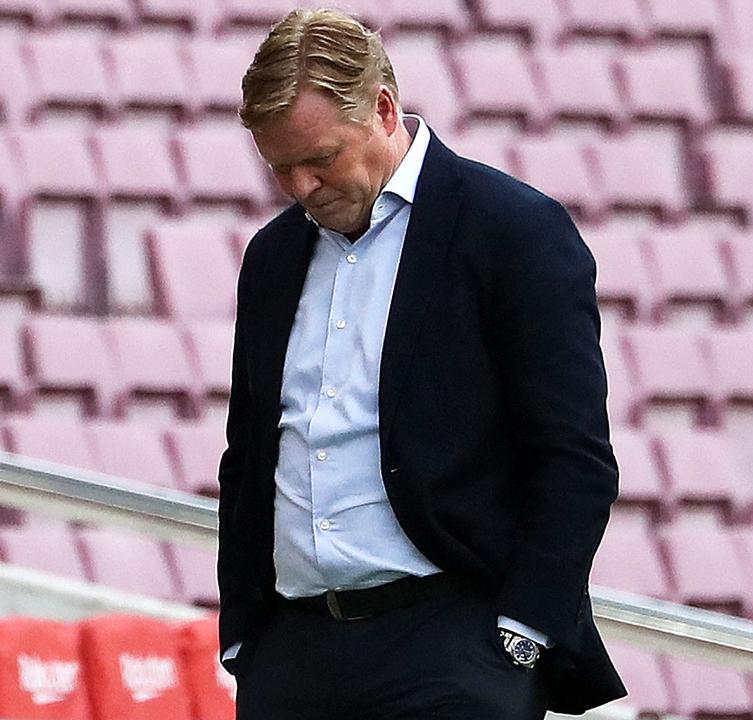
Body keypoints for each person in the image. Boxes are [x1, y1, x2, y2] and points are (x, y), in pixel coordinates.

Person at [217, 8, 625, 719]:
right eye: (280, 167)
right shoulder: (272, 256)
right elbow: (249, 454)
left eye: (321, 158)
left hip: (452, 648)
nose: (302, 185)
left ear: (383, 109)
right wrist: (245, 638)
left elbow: (574, 458)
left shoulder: (514, 231)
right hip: (293, 653)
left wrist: (522, 636)